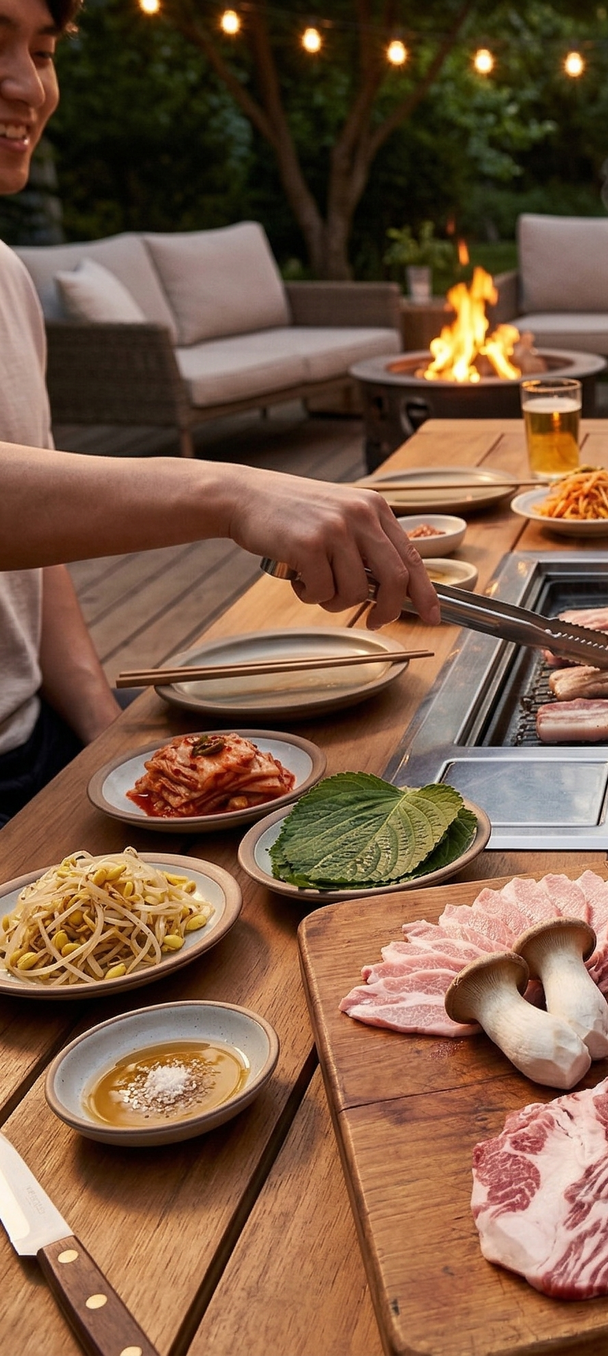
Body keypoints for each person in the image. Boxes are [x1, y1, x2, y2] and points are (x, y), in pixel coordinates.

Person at [0, 0, 436, 827]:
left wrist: (101, 735)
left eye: (46, 49)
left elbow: (32, 545)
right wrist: (231, 493)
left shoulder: (6, 277)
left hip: (36, 746)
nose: (27, 84)